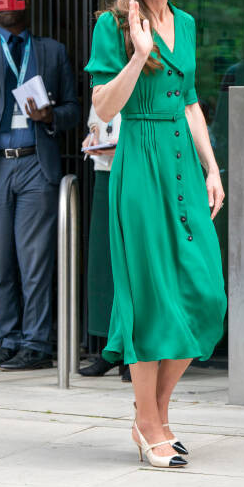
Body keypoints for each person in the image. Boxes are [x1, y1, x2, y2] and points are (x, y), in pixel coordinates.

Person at [84, 0, 226, 468]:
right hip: (139, 162)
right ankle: (150, 424)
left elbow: (189, 101)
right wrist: (137, 55)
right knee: (148, 295)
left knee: (205, 293)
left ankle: (154, 415)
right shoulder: (113, 24)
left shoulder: (184, 23)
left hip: (182, 164)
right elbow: (102, 106)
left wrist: (212, 168)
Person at [0, 0, 80, 370]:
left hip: (35, 162)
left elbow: (73, 109)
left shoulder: (51, 50)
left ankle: (37, 345)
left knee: (35, 262)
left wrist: (51, 115)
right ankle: (9, 340)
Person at [79, 106, 131, 382]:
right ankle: (112, 349)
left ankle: (136, 352)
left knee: (135, 266)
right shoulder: (101, 83)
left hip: (136, 171)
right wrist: (92, 137)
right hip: (104, 171)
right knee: (105, 265)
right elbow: (96, 121)